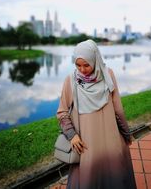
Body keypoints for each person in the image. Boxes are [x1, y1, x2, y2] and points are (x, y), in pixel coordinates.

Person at [57, 39, 137, 189]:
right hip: (86, 145)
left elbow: (118, 109)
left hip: (111, 140)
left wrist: (126, 133)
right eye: (78, 65)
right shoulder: (70, 81)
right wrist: (72, 135)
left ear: (95, 59)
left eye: (86, 64)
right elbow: (62, 112)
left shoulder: (108, 75)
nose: (82, 69)